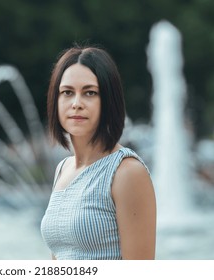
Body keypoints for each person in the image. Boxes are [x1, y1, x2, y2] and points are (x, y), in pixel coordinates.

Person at [40, 45, 156, 260]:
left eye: (90, 93)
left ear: (109, 101)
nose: (76, 104)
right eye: (67, 92)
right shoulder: (62, 169)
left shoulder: (127, 172)